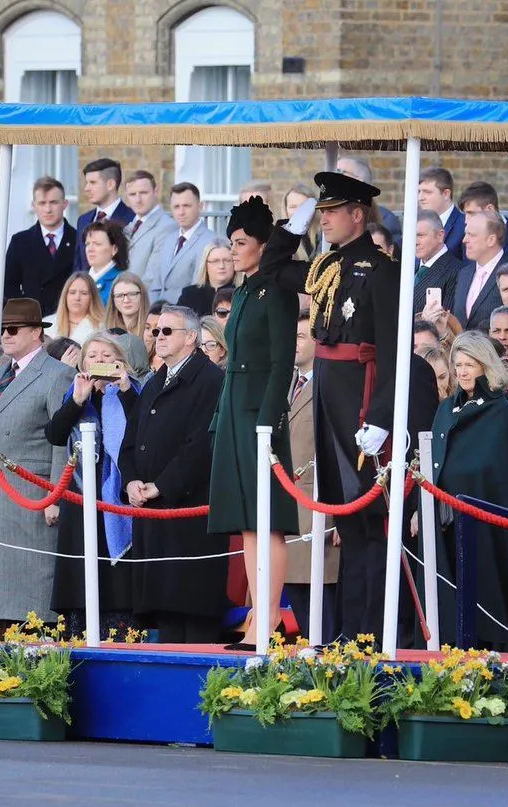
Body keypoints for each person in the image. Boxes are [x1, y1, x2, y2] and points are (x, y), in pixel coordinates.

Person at [264, 171, 432, 642]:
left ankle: (373, 633)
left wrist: (381, 416)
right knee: (347, 522)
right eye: (321, 212)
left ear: (357, 215)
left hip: (361, 402)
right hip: (329, 400)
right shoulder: (324, 268)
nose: (325, 220)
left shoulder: (382, 271)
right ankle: (351, 632)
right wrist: (290, 228)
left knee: (371, 525)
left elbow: (396, 352)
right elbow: (273, 267)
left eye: (331, 211)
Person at [207, 196, 299, 651]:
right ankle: (256, 620)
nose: (233, 251)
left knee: (268, 521)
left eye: (241, 242)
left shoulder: (277, 289)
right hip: (235, 406)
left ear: (264, 246)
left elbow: (283, 362)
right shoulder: (243, 290)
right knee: (246, 522)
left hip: (260, 412)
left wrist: (267, 422)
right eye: (231, 242)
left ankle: (270, 621)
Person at [119, 305, 227, 642]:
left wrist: (162, 486)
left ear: (191, 337)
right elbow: (131, 440)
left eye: (168, 331)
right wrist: (132, 480)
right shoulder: (155, 381)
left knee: (191, 615)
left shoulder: (211, 380)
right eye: (156, 331)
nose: (159, 337)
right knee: (164, 616)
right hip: (153, 513)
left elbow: (202, 444)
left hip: (188, 512)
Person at [428, 331, 508, 648]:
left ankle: (493, 643)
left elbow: (494, 471)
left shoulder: (498, 411)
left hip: (484, 517)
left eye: (469, 364)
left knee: (486, 583)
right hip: (444, 514)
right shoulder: (446, 408)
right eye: (458, 365)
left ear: (484, 366)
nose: (462, 372)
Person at [0, 299, 76, 626]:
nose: (5, 336)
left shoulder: (58, 374)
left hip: (33, 495)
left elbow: (62, 439)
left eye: (12, 329)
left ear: (37, 332)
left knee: (33, 592)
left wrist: (54, 495)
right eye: (1, 330)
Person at [45, 331, 140, 639]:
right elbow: (55, 434)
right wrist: (77, 399)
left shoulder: (132, 391)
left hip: (117, 495)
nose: (99, 361)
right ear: (82, 362)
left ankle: (117, 634)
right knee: (81, 571)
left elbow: (143, 428)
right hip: (79, 493)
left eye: (106, 356)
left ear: (120, 361)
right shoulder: (75, 393)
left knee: (115, 577)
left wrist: (124, 388)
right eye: (93, 356)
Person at [283, 312, 338, 642]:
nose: (294, 342)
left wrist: (336, 517)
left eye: (301, 336)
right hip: (289, 509)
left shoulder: (330, 385)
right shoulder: (287, 382)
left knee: (323, 609)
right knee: (300, 601)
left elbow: (337, 453)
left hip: (318, 508)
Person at [5, 176, 77, 315]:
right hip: (33, 320)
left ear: (65, 204)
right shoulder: (20, 242)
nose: (48, 209)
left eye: (54, 202)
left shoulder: (79, 240)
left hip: (69, 318)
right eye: (42, 203)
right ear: (34, 206)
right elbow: (9, 286)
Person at [147, 183, 222, 304]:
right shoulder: (168, 240)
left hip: (185, 313)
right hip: (157, 314)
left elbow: (197, 287)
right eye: (176, 207)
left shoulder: (210, 241)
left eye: (186, 206)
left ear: (200, 206)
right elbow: (156, 283)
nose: (181, 212)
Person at [74, 158, 135, 274]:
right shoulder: (83, 220)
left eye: (93, 182)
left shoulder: (132, 219)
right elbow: (78, 265)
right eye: (87, 183)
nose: (86, 188)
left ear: (110, 184)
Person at [122, 170, 178, 282]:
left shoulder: (167, 227)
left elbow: (153, 276)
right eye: (132, 194)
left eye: (143, 193)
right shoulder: (129, 226)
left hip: (142, 296)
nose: (138, 200)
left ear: (155, 191)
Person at [455, 212, 508, 331]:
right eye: (465, 234)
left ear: (491, 240)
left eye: (471, 235)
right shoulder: (464, 274)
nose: (464, 240)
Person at [337, 155, 402, 249]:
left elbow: (391, 259)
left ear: (359, 182)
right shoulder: (330, 216)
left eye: (339, 172)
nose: (333, 177)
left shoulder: (386, 220)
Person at [413, 209, 461, 315]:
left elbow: (447, 321)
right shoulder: (407, 269)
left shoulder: (456, 271)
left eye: (421, 235)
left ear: (440, 235)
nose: (415, 242)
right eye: (411, 235)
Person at [458, 181, 508, 260]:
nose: (466, 220)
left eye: (471, 213)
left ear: (490, 209)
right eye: (465, 214)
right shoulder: (467, 237)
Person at [46, 272, 106, 345]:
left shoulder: (102, 327)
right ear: (65, 295)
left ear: (92, 298)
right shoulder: (47, 324)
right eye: (72, 292)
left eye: (84, 293)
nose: (77, 298)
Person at [418, 166, 464, 260]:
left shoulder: (464, 225)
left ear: (446, 194)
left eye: (427, 192)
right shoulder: (414, 224)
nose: (420, 198)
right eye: (419, 192)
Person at [177, 244, 237, 316]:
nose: (221, 266)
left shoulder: (241, 294)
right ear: (205, 265)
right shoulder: (189, 294)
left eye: (227, 260)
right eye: (215, 261)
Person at [83, 219, 130, 304]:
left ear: (114, 249)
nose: (90, 249)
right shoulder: (81, 280)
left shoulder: (122, 283)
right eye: (87, 244)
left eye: (97, 244)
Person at [104, 272, 151, 339]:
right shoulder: (105, 332)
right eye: (119, 296)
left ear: (142, 295)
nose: (126, 300)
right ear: (113, 299)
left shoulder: (153, 330)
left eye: (132, 294)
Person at [283, 184, 321, 260]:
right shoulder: (280, 241)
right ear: (286, 210)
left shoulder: (324, 236)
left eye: (303, 206)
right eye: (293, 207)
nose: (298, 211)